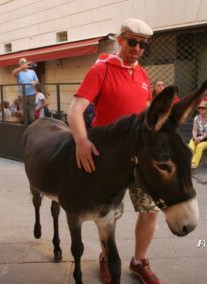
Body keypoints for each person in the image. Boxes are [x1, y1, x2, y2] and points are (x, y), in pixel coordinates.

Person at [67, 18, 160, 284]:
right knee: (107, 215)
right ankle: (107, 257)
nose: (137, 48)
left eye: (142, 45)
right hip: (109, 157)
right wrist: (82, 142)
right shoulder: (101, 70)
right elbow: (75, 111)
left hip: (138, 155)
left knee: (149, 209)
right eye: (132, 42)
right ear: (120, 40)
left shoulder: (142, 74)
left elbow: (143, 110)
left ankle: (138, 260)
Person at [189, 101, 207, 169]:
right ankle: (192, 164)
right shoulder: (196, 117)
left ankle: (194, 164)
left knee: (199, 146)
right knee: (190, 146)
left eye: (203, 108)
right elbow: (194, 130)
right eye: (199, 108)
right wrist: (195, 138)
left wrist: (200, 138)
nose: (201, 109)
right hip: (197, 137)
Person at [12, 58, 39, 123]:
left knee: (31, 114)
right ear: (19, 64)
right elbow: (13, 73)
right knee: (23, 113)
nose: (24, 64)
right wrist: (21, 68)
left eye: (25, 62)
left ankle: (31, 126)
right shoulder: (19, 72)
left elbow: (37, 81)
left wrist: (35, 82)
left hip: (31, 95)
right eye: (22, 62)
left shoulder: (32, 72)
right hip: (22, 95)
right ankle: (24, 127)